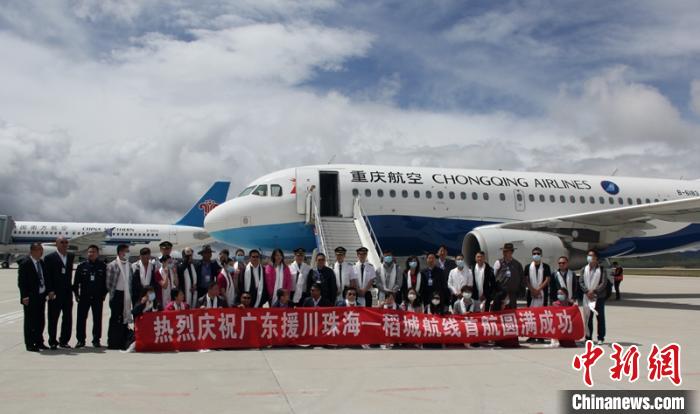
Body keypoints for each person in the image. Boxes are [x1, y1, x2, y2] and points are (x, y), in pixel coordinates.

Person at [73, 244, 107, 348]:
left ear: (98, 253)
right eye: (89, 252)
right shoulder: (81, 266)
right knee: (81, 319)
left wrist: (103, 295)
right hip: (84, 297)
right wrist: (76, 294)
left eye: (93, 252)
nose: (91, 254)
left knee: (97, 319)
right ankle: (80, 340)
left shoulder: (103, 266)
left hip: (97, 297)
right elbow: (76, 283)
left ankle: (96, 340)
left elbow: (106, 283)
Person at [44, 235, 75, 349]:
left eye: (66, 242)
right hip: (55, 293)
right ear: (56, 244)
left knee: (67, 318)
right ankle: (52, 341)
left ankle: (64, 340)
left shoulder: (70, 256)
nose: (64, 244)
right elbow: (47, 276)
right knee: (53, 318)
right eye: (62, 242)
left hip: (67, 292)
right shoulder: (50, 258)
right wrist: (50, 290)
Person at [18, 243, 49, 352]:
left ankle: (39, 341)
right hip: (30, 297)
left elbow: (44, 278)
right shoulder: (25, 263)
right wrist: (24, 296)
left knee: (40, 320)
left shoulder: (41, 262)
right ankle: (30, 343)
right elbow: (21, 282)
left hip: (41, 296)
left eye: (41, 250)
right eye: (39, 250)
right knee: (30, 321)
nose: (41, 252)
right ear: (32, 251)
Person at [106, 244, 133, 350]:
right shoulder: (112, 265)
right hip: (116, 294)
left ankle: (122, 341)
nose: (128, 253)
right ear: (120, 252)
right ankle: (112, 342)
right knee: (114, 318)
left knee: (124, 318)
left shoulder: (129, 265)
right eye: (126, 251)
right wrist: (112, 294)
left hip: (126, 295)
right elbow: (108, 283)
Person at [580, 250, 608, 345]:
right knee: (588, 317)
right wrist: (587, 291)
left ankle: (601, 337)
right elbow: (581, 281)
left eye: (591, 255)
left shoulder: (602, 270)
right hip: (587, 297)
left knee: (600, 318)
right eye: (588, 255)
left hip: (598, 297)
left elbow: (603, 283)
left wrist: (594, 291)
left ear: (596, 258)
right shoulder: (584, 269)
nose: (589, 257)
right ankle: (588, 337)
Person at [492, 243, 524, 311]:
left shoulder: (517, 264)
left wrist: (519, 292)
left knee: (512, 313)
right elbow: (493, 278)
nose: (504, 253)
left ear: (511, 252)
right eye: (504, 251)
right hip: (501, 295)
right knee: (499, 313)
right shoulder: (498, 263)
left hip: (512, 296)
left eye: (506, 251)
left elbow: (521, 279)